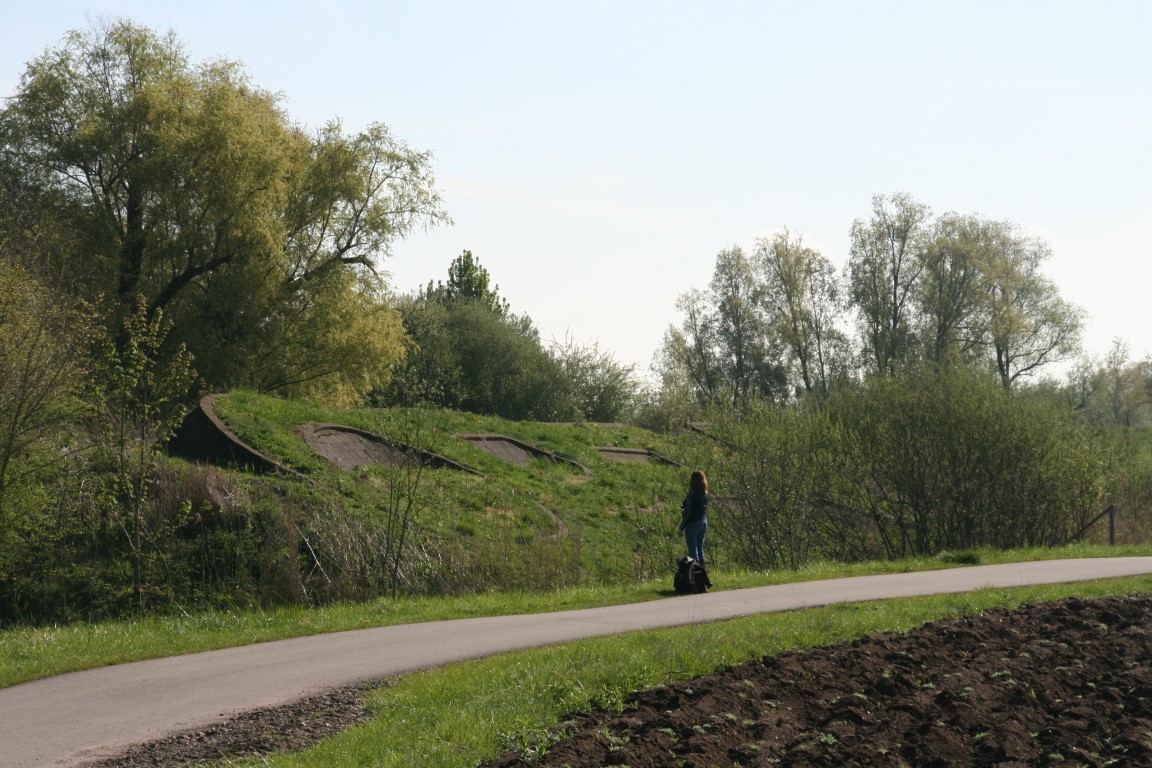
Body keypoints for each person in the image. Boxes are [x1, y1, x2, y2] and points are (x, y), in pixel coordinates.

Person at [678, 469, 709, 565]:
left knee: (693, 553)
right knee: (700, 550)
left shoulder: (692, 494)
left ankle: (694, 572)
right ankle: (702, 570)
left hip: (693, 525)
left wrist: (681, 528)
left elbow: (688, 512)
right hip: (703, 522)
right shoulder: (705, 493)